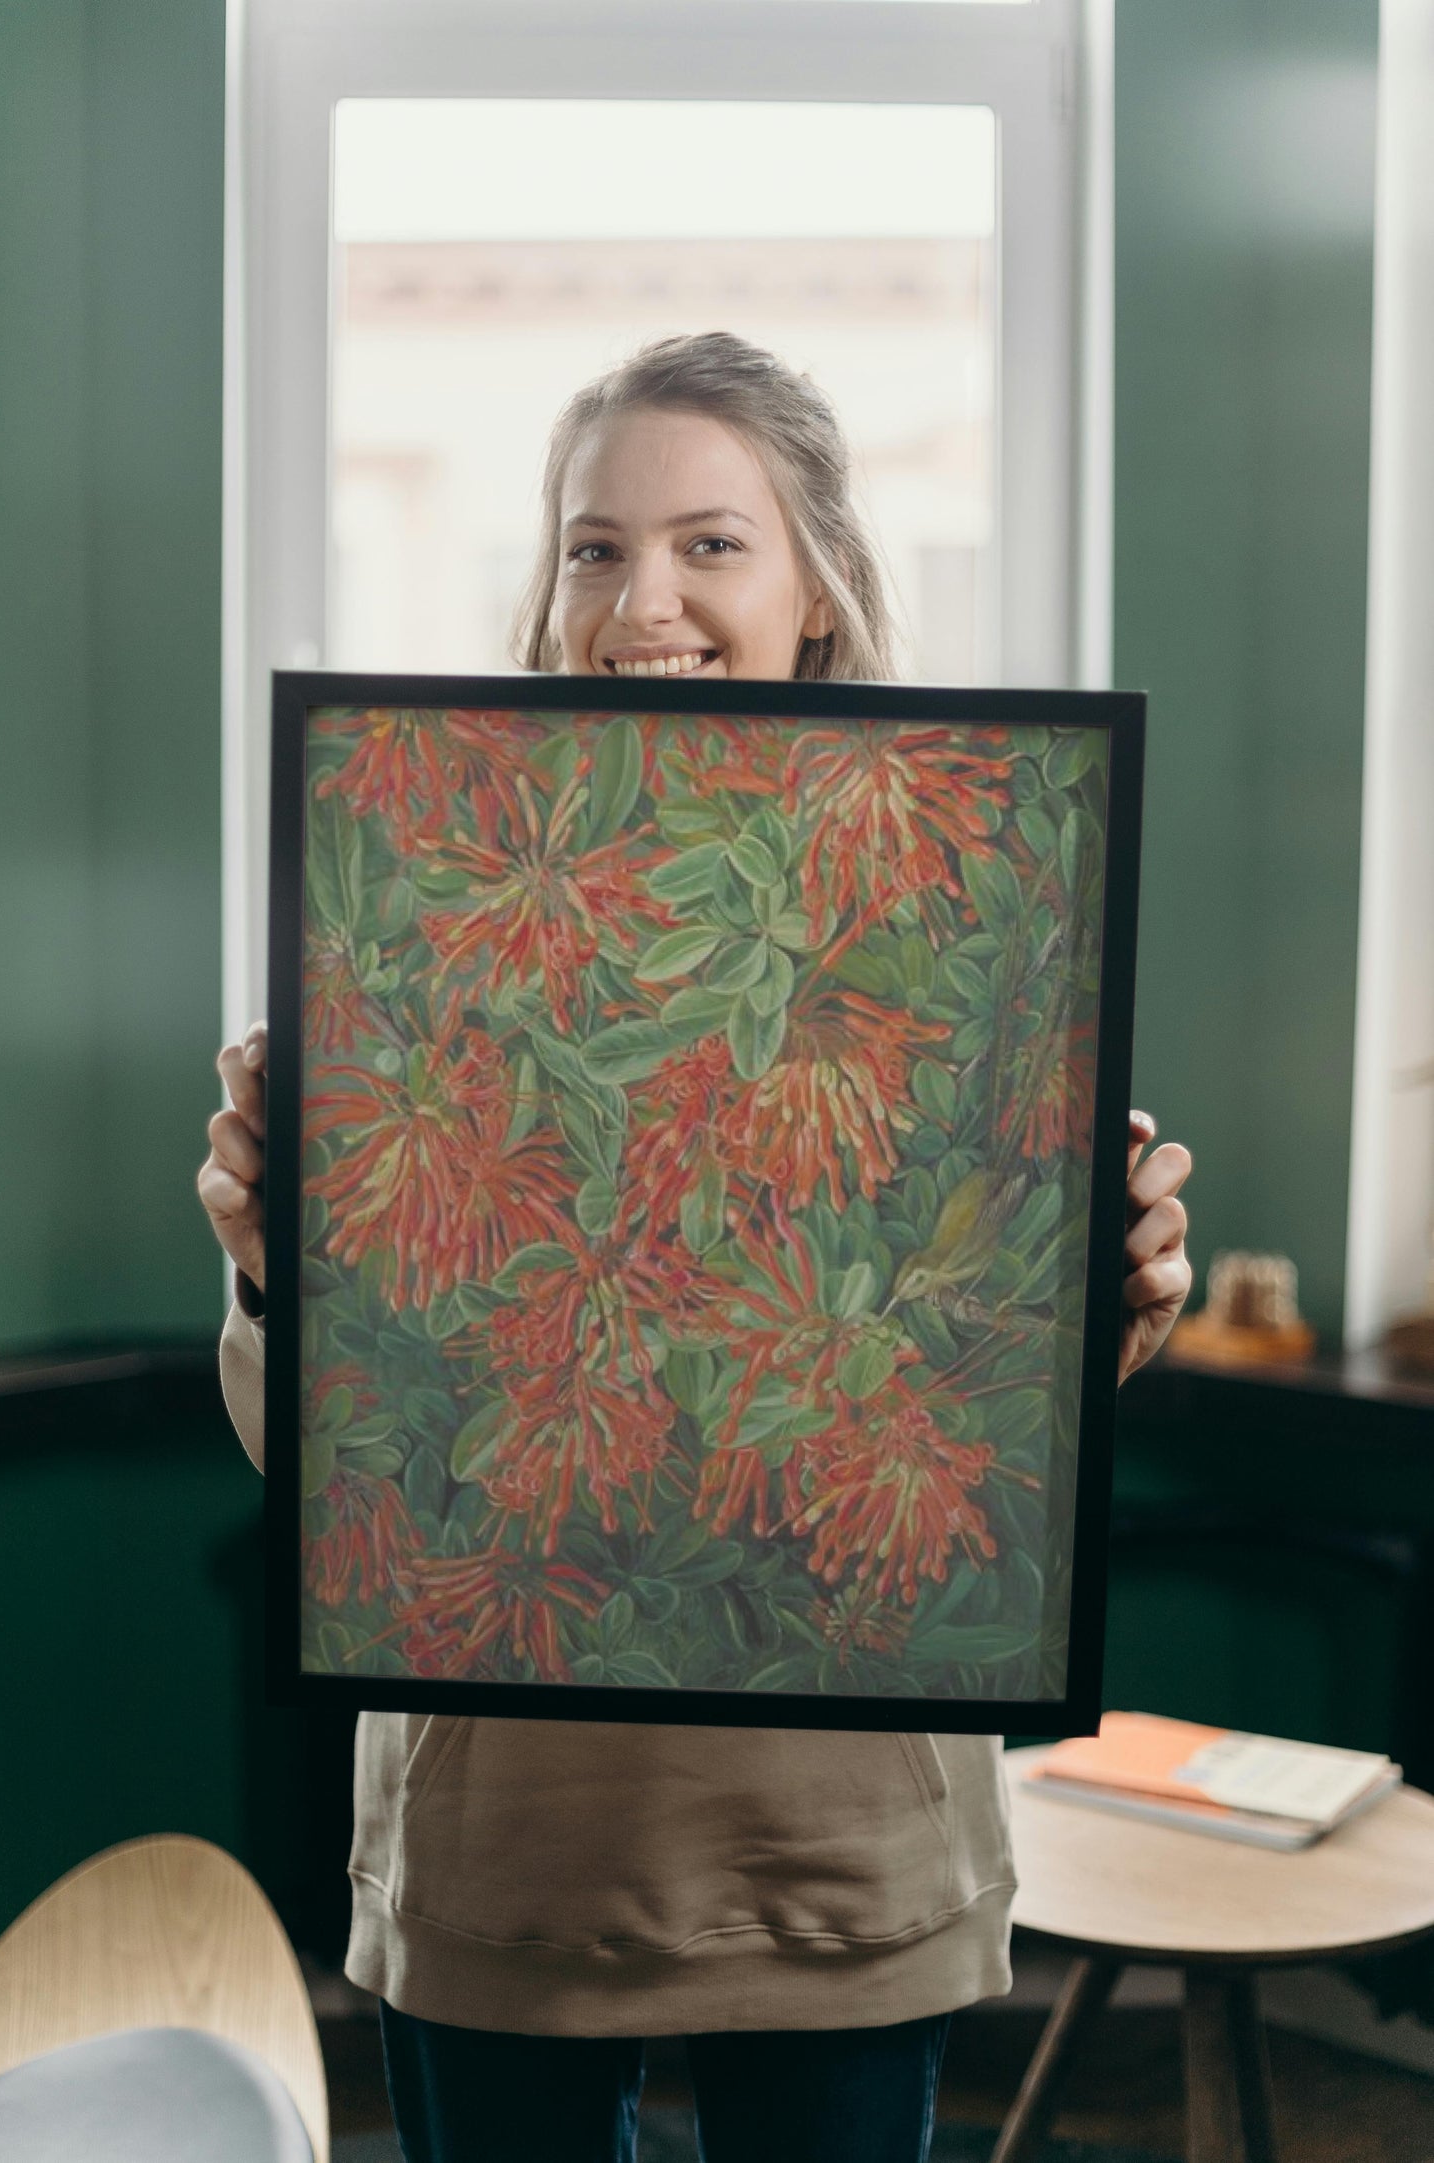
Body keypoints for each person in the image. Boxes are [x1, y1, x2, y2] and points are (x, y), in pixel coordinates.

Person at [199, 332, 1193, 2163]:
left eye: (708, 544)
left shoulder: (978, 901)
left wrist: (1099, 1304)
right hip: (506, 1839)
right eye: (593, 546)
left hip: (838, 1842)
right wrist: (278, 1276)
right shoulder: (415, 899)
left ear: (816, 585)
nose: (638, 597)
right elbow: (337, 1464)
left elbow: (973, 1434)